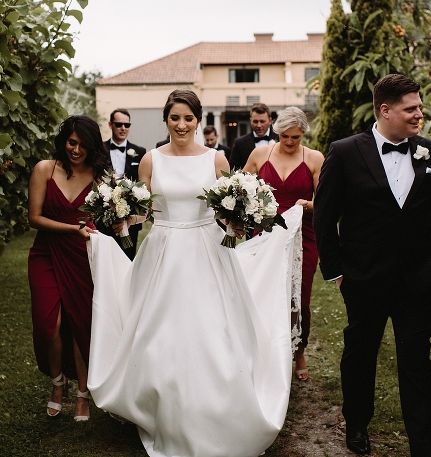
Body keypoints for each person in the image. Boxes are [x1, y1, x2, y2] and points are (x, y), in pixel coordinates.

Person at [86, 89, 303, 457]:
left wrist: (237, 226)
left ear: (198, 120)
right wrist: (118, 217)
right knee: (161, 334)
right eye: (174, 118)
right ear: (166, 119)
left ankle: (213, 407)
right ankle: (161, 406)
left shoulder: (216, 159)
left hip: (207, 252)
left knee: (210, 331)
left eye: (188, 118)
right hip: (163, 251)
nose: (181, 125)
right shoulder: (151, 160)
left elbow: (225, 213)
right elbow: (145, 214)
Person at [313, 74, 431, 456]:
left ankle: (422, 443)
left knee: (416, 361)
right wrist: (338, 271)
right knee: (360, 353)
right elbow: (326, 217)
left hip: (418, 280)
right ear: (385, 110)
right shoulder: (344, 152)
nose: (419, 115)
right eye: (411, 109)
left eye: (419, 107)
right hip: (363, 277)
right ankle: (357, 423)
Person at [27, 115, 110, 422]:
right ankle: (57, 382)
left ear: (92, 147)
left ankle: (82, 395)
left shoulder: (100, 179)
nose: (76, 150)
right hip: (46, 253)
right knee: (49, 323)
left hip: (82, 256)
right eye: (71, 142)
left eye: (83, 145)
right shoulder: (44, 169)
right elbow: (34, 218)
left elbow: (107, 220)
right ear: (63, 141)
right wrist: (72, 228)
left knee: (80, 324)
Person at [244, 106, 323, 382]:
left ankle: (299, 351)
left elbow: (324, 202)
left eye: (296, 137)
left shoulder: (314, 158)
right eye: (285, 137)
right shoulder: (259, 155)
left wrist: (306, 204)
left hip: (303, 236)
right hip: (265, 234)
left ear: (303, 134)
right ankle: (264, 351)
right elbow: (241, 192)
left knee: (300, 296)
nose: (290, 142)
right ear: (276, 132)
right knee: (264, 293)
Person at [103, 109, 147, 259]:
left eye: (127, 125)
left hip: (130, 214)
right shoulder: (100, 150)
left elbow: (142, 183)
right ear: (110, 124)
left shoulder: (140, 152)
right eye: (119, 124)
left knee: (128, 258)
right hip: (104, 213)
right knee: (106, 259)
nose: (123, 128)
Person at [228, 102, 278, 170]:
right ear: (250, 120)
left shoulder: (279, 139)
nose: (259, 125)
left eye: (262, 121)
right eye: (255, 121)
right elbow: (233, 169)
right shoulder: (239, 143)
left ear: (270, 121)